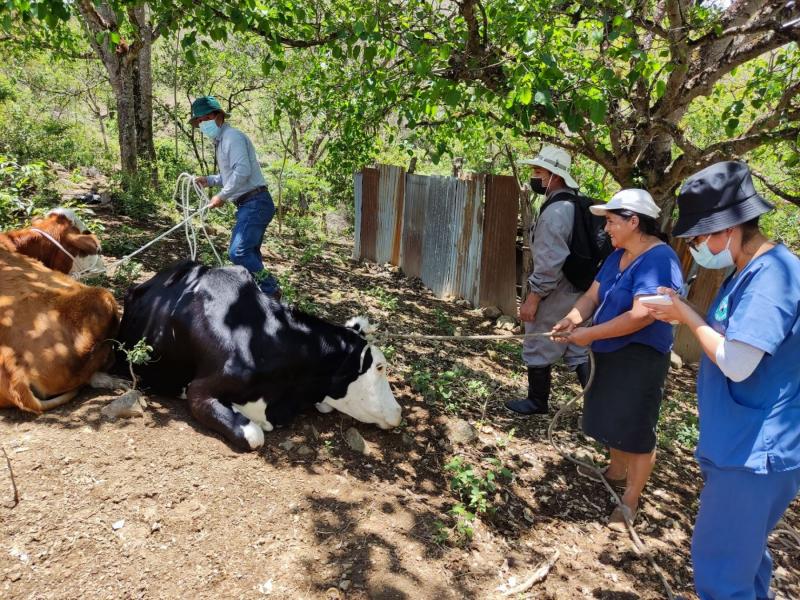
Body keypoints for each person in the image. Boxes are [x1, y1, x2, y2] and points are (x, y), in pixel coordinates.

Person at [645, 161, 800, 600]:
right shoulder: (747, 271)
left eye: (697, 237)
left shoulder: (773, 278)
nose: (695, 246)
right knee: (743, 562)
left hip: (754, 454)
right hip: (740, 444)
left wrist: (685, 314)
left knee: (721, 576)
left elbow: (737, 362)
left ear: (727, 229)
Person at [551, 189, 684, 530]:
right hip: (609, 350)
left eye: (611, 221)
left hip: (640, 357)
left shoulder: (659, 260)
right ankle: (615, 471)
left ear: (634, 221)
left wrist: (588, 335)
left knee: (637, 429)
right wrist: (573, 319)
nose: (606, 229)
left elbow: (642, 316)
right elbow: (594, 294)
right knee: (611, 415)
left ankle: (630, 500)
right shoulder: (618, 254)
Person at [505, 146, 590, 416]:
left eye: (538, 172)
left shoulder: (555, 212)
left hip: (557, 292)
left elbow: (549, 263)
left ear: (555, 175)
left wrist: (533, 298)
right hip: (580, 291)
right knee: (577, 347)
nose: (534, 177)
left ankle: (537, 401)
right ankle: (597, 407)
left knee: (538, 343)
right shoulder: (576, 204)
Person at [189, 95, 281, 299]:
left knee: (238, 252)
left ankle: (271, 289)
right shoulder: (222, 141)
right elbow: (230, 175)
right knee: (250, 254)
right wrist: (210, 180)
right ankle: (261, 294)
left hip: (255, 202)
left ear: (216, 116)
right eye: (199, 122)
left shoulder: (232, 137)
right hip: (249, 203)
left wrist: (221, 196)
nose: (202, 125)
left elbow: (243, 172)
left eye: (203, 120)